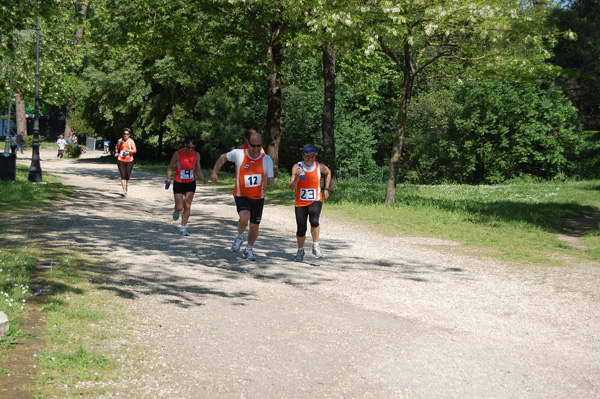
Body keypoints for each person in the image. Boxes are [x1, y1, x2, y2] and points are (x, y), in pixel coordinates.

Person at [210, 132, 274, 261]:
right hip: (241, 194)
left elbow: (271, 181)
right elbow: (223, 157)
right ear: (248, 144)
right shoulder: (239, 153)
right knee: (244, 217)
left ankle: (249, 248)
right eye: (253, 146)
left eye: (258, 146)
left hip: (258, 197)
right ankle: (240, 236)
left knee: (255, 226)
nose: (255, 149)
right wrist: (214, 173)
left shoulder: (266, 159)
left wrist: (269, 182)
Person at [288, 144, 331, 262]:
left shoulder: (319, 167)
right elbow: (291, 187)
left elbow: (328, 173)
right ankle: (300, 250)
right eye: (308, 156)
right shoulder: (297, 167)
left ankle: (316, 245)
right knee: (301, 228)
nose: (310, 159)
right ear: (303, 155)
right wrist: (297, 176)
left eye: (313, 156)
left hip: (315, 199)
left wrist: (326, 189)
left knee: (314, 220)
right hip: (300, 202)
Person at [165, 136, 208, 236]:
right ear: (185, 145)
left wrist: (203, 179)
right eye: (188, 147)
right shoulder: (178, 154)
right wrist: (168, 178)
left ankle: (183, 227)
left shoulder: (196, 155)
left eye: (192, 147)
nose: (190, 149)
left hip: (190, 182)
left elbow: (198, 170)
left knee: (187, 204)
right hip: (179, 182)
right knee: (180, 206)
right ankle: (176, 210)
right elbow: (170, 167)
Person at [115, 128, 137, 196]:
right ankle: (124, 190)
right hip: (121, 160)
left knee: (127, 175)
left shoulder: (131, 141)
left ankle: (126, 185)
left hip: (129, 160)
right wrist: (116, 152)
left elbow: (135, 150)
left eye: (127, 134)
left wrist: (128, 150)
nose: (125, 135)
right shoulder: (120, 141)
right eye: (124, 134)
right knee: (123, 175)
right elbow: (117, 146)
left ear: (129, 135)